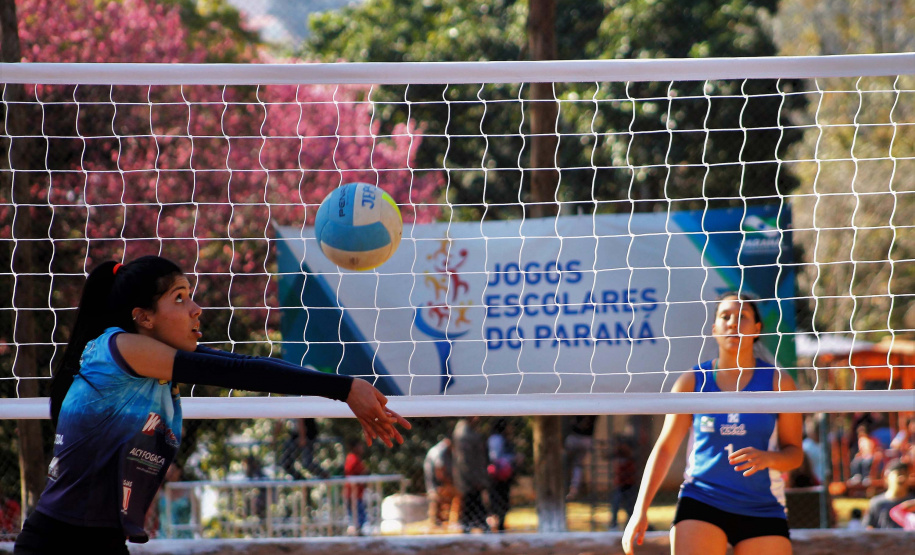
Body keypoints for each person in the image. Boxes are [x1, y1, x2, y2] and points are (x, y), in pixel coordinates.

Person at [13, 256, 409, 555]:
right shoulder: (120, 348)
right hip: (58, 541)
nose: (196, 308)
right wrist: (343, 388)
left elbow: (245, 366)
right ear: (143, 317)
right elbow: (239, 370)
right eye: (180, 298)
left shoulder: (147, 365)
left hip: (99, 538)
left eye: (192, 296)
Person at [622, 292, 804, 555]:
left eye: (742, 317)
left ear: (756, 329)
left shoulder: (779, 383)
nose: (733, 323)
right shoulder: (692, 383)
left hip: (762, 505)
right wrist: (640, 511)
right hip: (702, 500)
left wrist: (767, 459)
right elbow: (665, 448)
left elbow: (794, 454)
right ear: (714, 329)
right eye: (725, 316)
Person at [452, 416, 490, 533]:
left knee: (472, 504)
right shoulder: (465, 434)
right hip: (469, 478)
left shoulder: (467, 431)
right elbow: (466, 461)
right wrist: (476, 479)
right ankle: (477, 526)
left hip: (471, 477)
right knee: (472, 503)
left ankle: (471, 526)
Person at [486, 418, 518, 532]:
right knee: (498, 500)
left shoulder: (496, 438)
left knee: (500, 500)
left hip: (500, 475)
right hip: (498, 475)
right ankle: (496, 525)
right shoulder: (496, 439)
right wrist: (513, 458)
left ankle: (499, 524)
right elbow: (496, 457)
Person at [864, 460, 914, 529]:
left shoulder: (912, 504)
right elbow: (868, 528)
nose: (902, 478)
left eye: (905, 474)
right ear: (887, 477)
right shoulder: (877, 503)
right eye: (898, 474)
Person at [424, 437, 457, 528]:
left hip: (436, 482)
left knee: (438, 504)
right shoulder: (440, 451)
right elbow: (439, 470)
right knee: (436, 502)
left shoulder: (442, 450)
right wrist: (448, 482)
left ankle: (437, 523)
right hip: (437, 483)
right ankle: (434, 524)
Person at [565, 415, 597, 500]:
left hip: (581, 438)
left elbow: (583, 424)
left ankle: (573, 489)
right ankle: (573, 488)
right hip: (579, 438)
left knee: (577, 465)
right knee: (576, 465)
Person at [609, 436, 638, 530]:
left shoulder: (631, 457)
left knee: (630, 507)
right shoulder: (617, 456)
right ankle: (614, 525)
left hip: (629, 485)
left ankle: (630, 525)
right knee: (615, 505)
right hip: (620, 486)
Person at [343, 439, 368, 535]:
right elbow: (353, 472)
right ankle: (355, 532)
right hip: (352, 493)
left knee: (359, 514)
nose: (362, 448)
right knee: (356, 514)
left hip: (357, 493)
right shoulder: (352, 458)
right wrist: (364, 472)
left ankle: (358, 531)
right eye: (359, 446)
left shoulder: (356, 458)